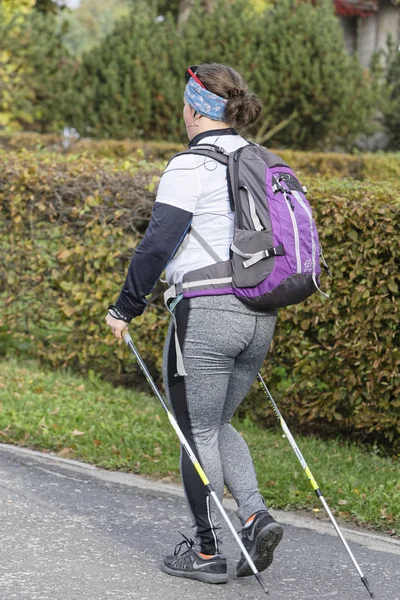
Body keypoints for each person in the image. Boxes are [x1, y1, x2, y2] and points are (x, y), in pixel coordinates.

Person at [106, 63, 283, 585]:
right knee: (217, 422)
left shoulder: (190, 166)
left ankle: (207, 552)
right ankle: (255, 517)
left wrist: (125, 307)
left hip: (204, 312)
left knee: (195, 429)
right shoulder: (257, 159)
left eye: (183, 103)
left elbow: (158, 242)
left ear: (195, 109)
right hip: (259, 315)